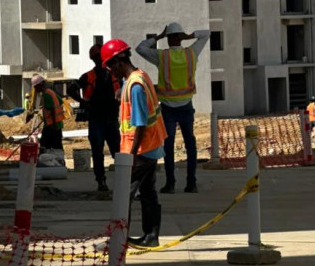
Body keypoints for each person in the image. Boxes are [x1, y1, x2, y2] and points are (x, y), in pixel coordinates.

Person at [101, 38, 167, 248]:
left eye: (110, 66)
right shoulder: (139, 77)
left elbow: (139, 124)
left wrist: (131, 157)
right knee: (148, 192)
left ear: (119, 61)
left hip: (141, 150)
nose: (110, 71)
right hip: (151, 146)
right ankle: (151, 236)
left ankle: (119, 238)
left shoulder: (135, 86)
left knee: (124, 194)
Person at [136, 22, 210, 194]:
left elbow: (140, 48)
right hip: (186, 106)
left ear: (169, 38)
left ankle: (170, 184)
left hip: (168, 108)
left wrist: (158, 37)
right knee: (190, 145)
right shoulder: (191, 53)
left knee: (168, 146)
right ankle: (191, 183)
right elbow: (207, 33)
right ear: (181, 37)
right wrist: (190, 36)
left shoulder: (162, 56)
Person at [68, 44, 121, 195]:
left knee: (117, 153)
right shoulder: (88, 76)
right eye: (97, 57)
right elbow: (71, 89)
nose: (99, 59)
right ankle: (101, 180)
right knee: (98, 152)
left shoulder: (113, 74)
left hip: (110, 119)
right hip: (97, 119)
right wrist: (83, 102)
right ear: (93, 58)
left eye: (100, 56)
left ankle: (121, 181)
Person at [26, 74, 64, 152]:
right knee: (57, 147)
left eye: (35, 87)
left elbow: (52, 110)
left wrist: (54, 124)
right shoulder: (51, 92)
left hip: (52, 126)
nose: (35, 89)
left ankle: (47, 159)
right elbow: (60, 102)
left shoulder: (46, 95)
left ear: (40, 85)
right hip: (57, 125)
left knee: (45, 146)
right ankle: (58, 159)